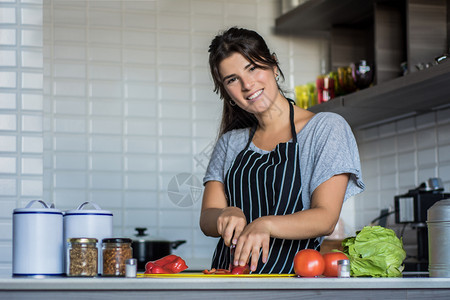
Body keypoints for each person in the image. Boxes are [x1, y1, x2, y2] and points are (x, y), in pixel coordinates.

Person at [200, 27, 365, 274]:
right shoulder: (230, 143)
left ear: (274, 66)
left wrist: (265, 224)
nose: (247, 84)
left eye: (252, 68)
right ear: (227, 93)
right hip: (227, 280)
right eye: (232, 79)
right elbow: (206, 219)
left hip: (292, 280)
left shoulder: (325, 129)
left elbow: (325, 218)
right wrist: (226, 213)